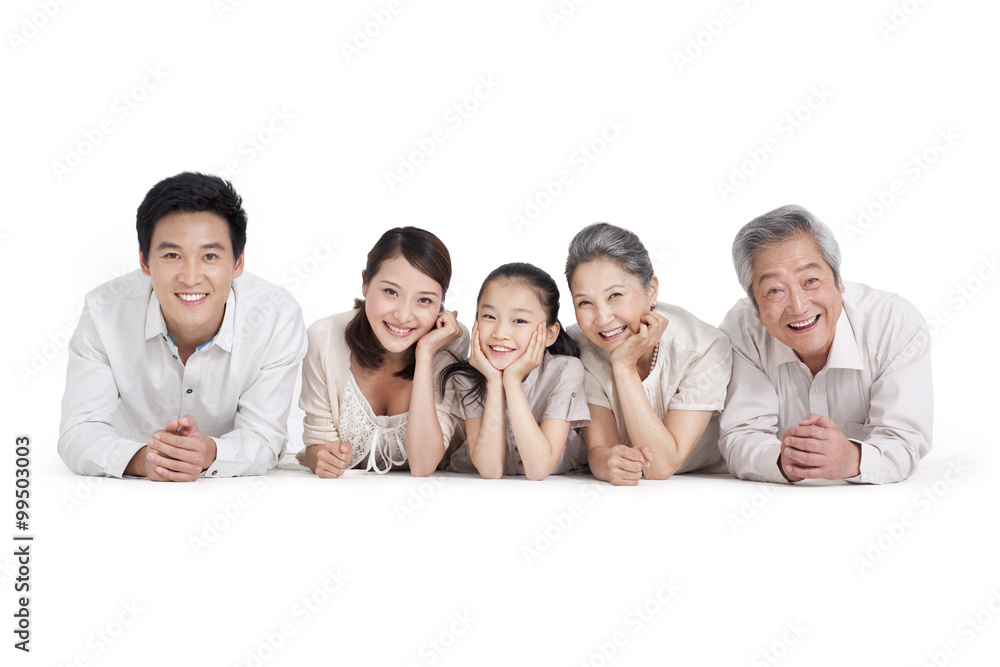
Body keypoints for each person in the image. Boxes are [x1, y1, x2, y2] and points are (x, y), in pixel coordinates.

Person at [58, 172, 307, 480]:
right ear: (145, 260)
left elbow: (264, 437)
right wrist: (145, 460)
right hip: (127, 495)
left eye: (210, 256)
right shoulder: (104, 313)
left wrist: (206, 453)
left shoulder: (276, 318)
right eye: (172, 255)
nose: (191, 277)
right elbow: (78, 432)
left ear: (238, 261)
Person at [718, 204, 932, 484]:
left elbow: (904, 441)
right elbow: (741, 435)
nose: (798, 306)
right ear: (755, 307)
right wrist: (782, 461)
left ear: (838, 281)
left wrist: (851, 459)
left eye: (810, 280)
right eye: (774, 290)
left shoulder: (895, 325)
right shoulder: (742, 330)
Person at [565, 223, 732, 485]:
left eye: (615, 295)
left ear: (651, 290)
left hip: (702, 489)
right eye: (584, 302)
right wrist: (609, 465)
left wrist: (624, 367)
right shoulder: (578, 346)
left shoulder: (703, 349)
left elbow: (660, 466)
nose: (602, 318)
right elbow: (600, 448)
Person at [297, 227, 468, 477]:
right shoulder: (324, 338)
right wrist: (322, 459)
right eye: (391, 292)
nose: (403, 315)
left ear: (441, 303)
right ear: (365, 283)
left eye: (424, 300)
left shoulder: (449, 341)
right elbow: (317, 447)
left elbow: (422, 465)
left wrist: (425, 354)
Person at [441, 263, 590, 480]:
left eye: (519, 321)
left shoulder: (565, 371)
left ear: (549, 333)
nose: (500, 333)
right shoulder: (467, 378)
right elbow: (490, 470)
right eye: (489, 317)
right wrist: (493, 381)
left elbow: (538, 469)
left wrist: (512, 380)